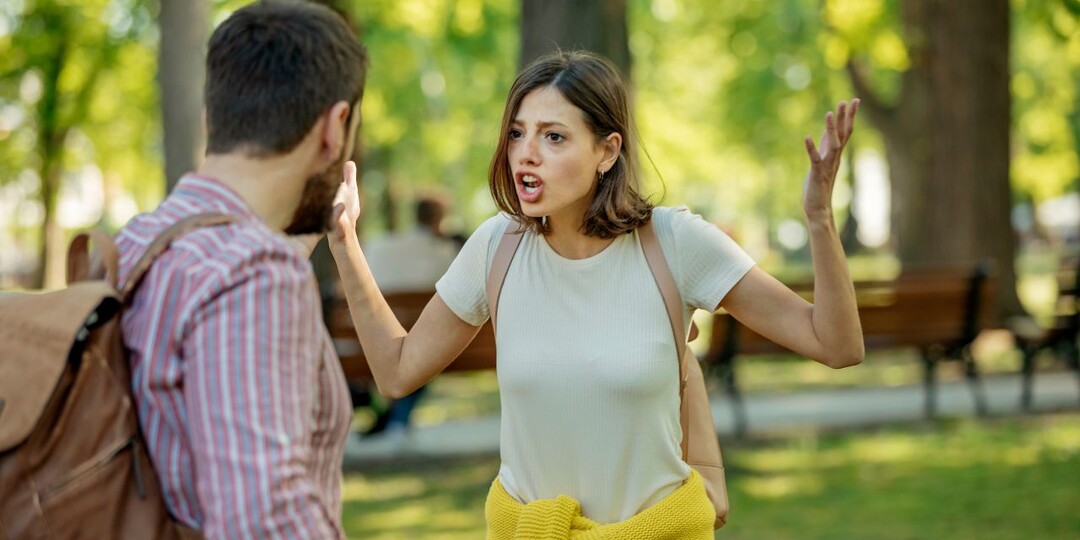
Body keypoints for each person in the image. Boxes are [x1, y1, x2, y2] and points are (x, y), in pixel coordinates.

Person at [330, 51, 863, 537]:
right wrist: (345, 241)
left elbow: (836, 345)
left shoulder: (676, 242)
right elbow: (398, 371)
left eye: (553, 137)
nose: (526, 155)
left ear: (607, 151)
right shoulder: (496, 247)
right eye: (517, 134)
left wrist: (818, 219)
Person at [114, 1, 367, 537]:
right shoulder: (255, 276)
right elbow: (262, 521)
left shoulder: (136, 242)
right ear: (333, 127)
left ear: (215, 116)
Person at [357, 197, 463, 441]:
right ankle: (397, 421)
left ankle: (392, 420)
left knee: (410, 354)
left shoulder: (380, 246)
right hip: (427, 347)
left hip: (373, 344)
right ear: (439, 219)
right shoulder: (444, 253)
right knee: (420, 354)